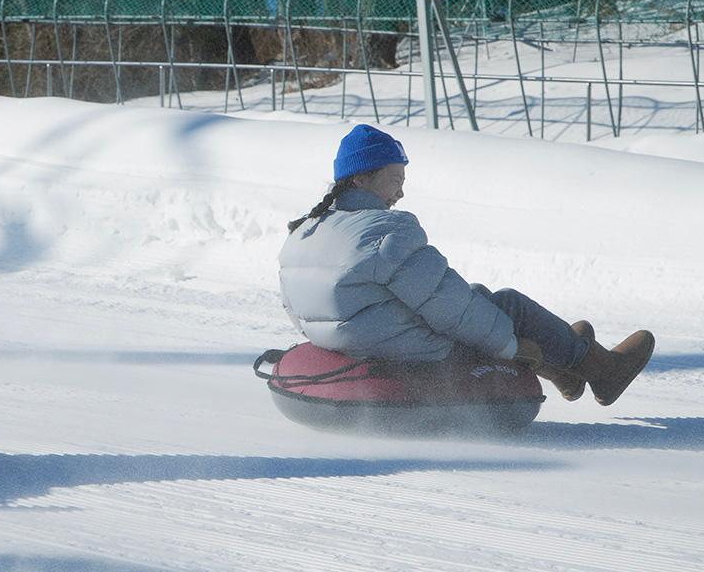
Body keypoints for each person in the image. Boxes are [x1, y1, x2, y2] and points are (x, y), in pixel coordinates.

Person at [278, 124, 654, 407]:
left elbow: (302, 312)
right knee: (506, 305)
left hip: (365, 340)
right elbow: (449, 308)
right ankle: (604, 371)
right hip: (414, 349)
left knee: (477, 300)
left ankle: (564, 369)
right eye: (395, 180)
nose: (401, 192)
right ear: (361, 177)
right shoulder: (385, 230)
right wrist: (510, 346)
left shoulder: (305, 232)